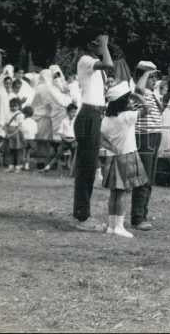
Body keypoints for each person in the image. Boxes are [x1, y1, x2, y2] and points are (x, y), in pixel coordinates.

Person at [72, 30, 113, 231]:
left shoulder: (96, 66)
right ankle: (82, 216)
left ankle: (83, 213)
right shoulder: (85, 60)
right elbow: (109, 63)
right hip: (88, 114)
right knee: (86, 168)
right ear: (90, 44)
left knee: (88, 167)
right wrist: (104, 44)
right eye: (98, 43)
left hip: (95, 114)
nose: (102, 46)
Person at [100, 81, 150, 237]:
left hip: (114, 157)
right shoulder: (128, 117)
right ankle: (119, 226)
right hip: (127, 156)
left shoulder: (106, 119)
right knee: (121, 194)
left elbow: (100, 137)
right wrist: (138, 97)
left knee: (114, 194)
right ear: (123, 101)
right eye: (128, 99)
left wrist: (112, 147)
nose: (130, 101)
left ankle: (111, 225)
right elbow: (146, 109)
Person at [130, 60, 164, 231]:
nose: (154, 79)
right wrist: (145, 74)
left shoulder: (152, 92)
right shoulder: (137, 90)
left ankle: (142, 212)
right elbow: (138, 91)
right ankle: (137, 217)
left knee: (149, 178)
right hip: (144, 136)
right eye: (151, 76)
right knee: (143, 178)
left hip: (155, 135)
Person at [5, 98, 25, 172]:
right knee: (10, 150)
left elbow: (19, 127)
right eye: (11, 106)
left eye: (15, 106)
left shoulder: (20, 115)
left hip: (16, 134)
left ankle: (18, 166)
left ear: (18, 106)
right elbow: (6, 124)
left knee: (18, 151)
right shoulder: (8, 113)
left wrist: (12, 134)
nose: (13, 107)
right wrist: (7, 133)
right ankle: (11, 166)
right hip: (9, 133)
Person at [20, 106, 38, 171]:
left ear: (25, 114)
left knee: (23, 153)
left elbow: (22, 130)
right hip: (31, 139)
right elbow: (36, 131)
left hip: (25, 138)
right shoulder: (34, 122)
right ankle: (27, 166)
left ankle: (22, 165)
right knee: (28, 153)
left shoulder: (24, 122)